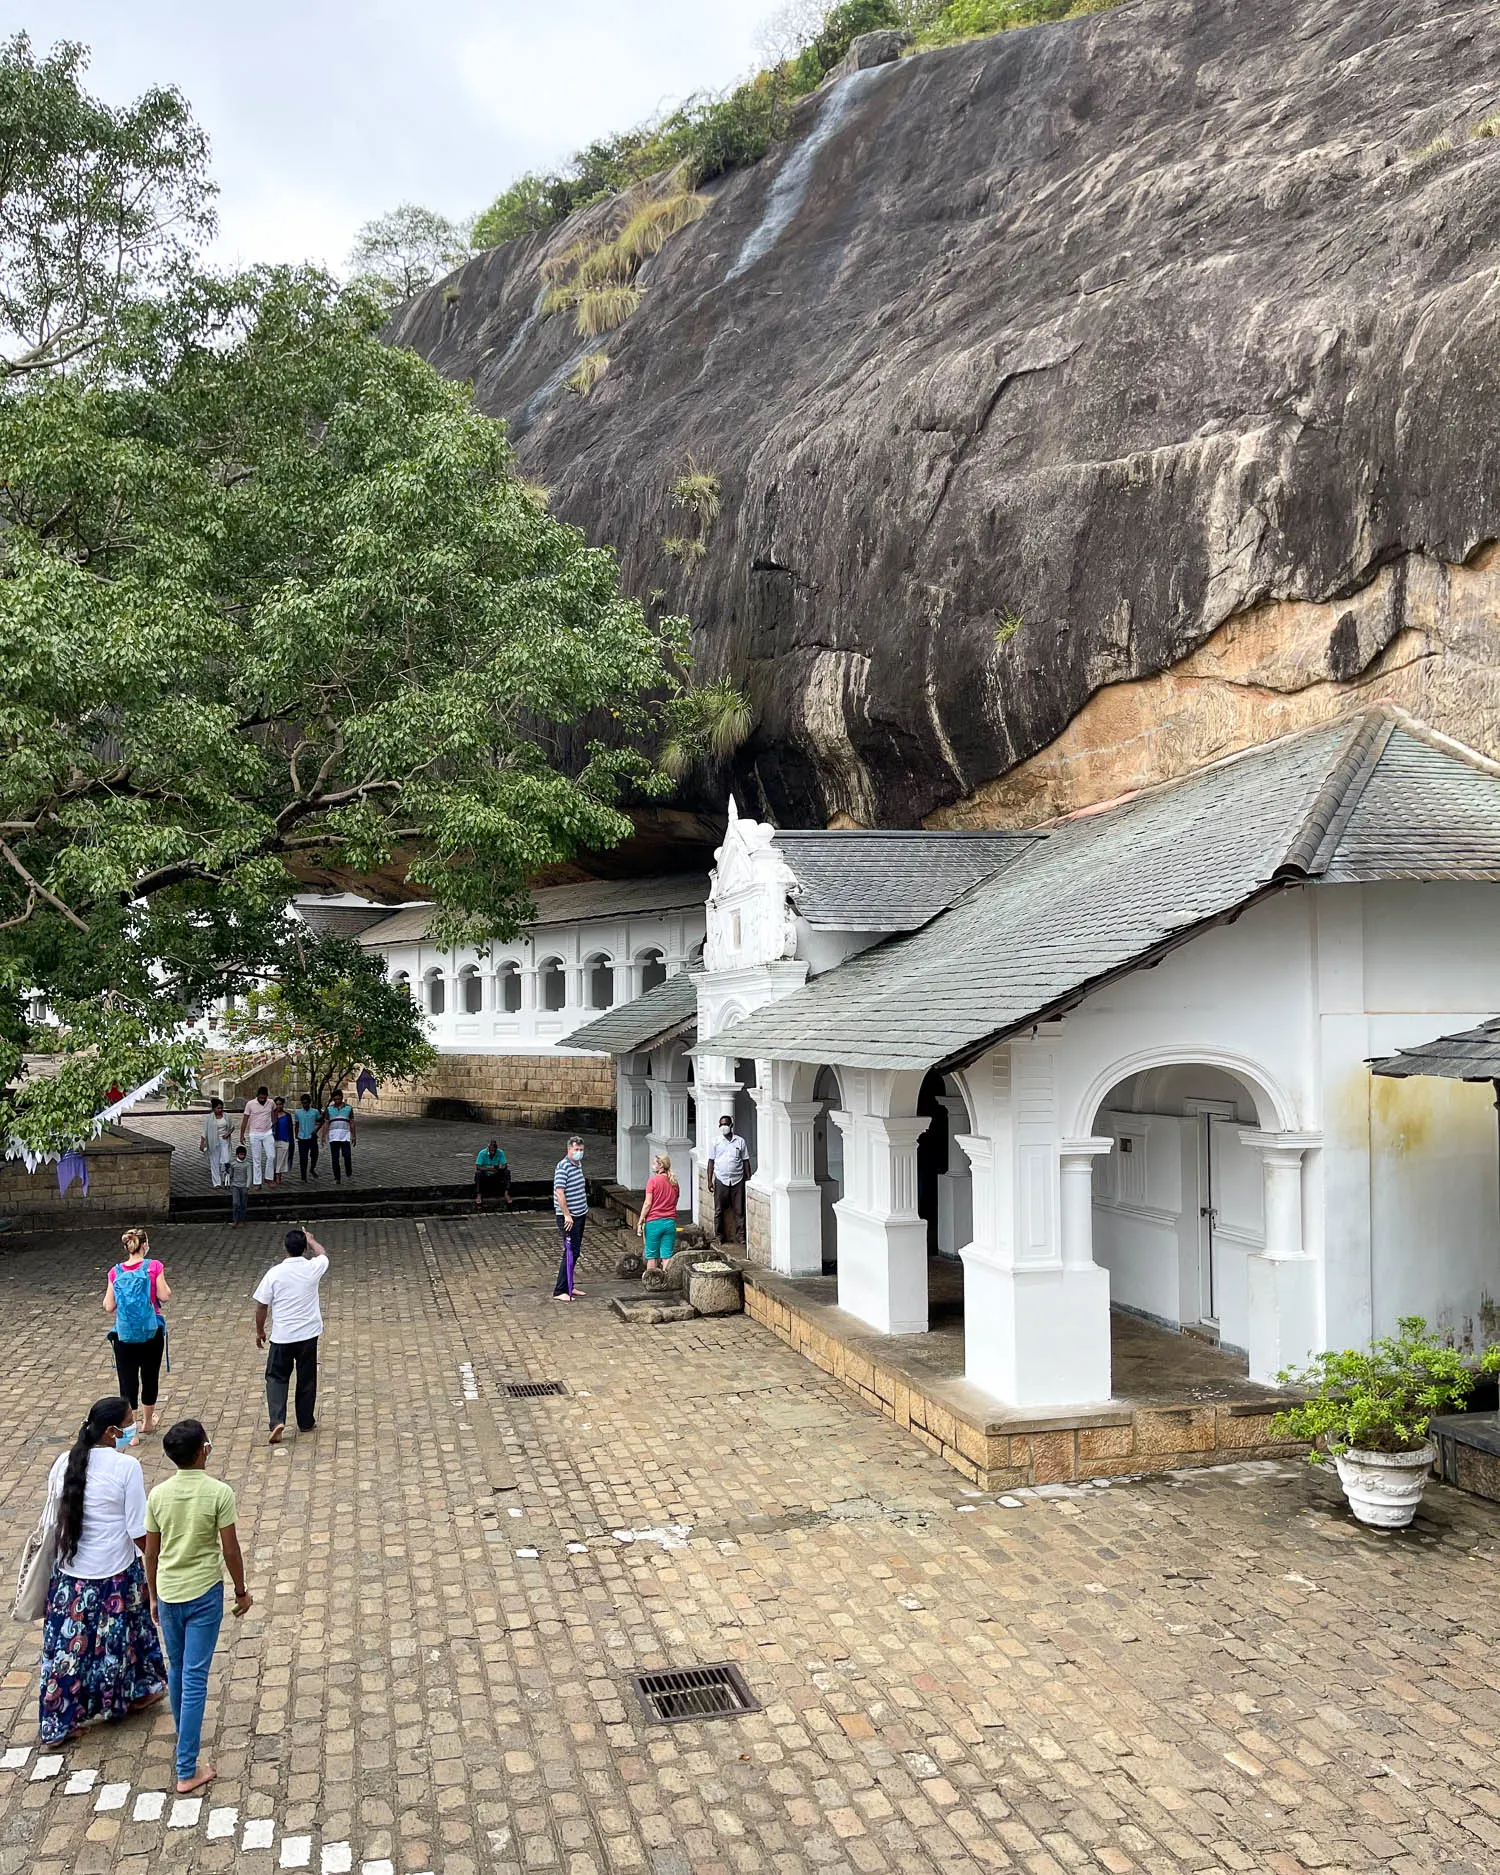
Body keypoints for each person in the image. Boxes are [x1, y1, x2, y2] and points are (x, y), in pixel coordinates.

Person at [36, 1396, 168, 1748]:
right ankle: (131, 1694)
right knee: (125, 1640)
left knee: (69, 1652)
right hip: (115, 1576)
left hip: (70, 1576)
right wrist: (161, 1559)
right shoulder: (126, 1469)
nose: (132, 1426)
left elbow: (50, 1522)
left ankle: (58, 1720)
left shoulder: (63, 1462)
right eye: (128, 1421)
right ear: (112, 1432)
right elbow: (138, 1530)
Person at [145, 1419, 252, 1796]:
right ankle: (187, 1766)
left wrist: (154, 1595)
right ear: (202, 1451)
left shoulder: (158, 1495)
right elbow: (231, 1549)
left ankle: (184, 1735)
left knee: (178, 1670)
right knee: (194, 1678)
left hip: (170, 1594)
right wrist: (241, 1590)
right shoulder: (219, 1494)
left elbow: (152, 1553)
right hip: (204, 1594)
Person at [253, 1227, 330, 1443]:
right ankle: (305, 1421)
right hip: (308, 1335)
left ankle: (277, 1420)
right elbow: (323, 1254)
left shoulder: (275, 1273)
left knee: (276, 1377)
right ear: (304, 1248)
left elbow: (262, 1305)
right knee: (306, 1378)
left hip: (283, 1336)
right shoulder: (313, 1268)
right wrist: (312, 1240)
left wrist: (260, 1330)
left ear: (285, 1248)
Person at [105, 1228, 170, 1436]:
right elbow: (164, 1295)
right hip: (151, 1331)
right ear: (144, 1245)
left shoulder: (115, 1272)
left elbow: (108, 1305)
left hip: (124, 1335)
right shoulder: (154, 1266)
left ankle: (131, 1432)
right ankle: (148, 1422)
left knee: (128, 1381)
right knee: (150, 1377)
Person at [551, 1136, 588, 1301]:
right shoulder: (563, 1167)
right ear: (569, 1150)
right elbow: (560, 1192)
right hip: (568, 1218)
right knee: (570, 1252)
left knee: (576, 1252)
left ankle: (570, 1285)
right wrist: (567, 1214)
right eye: (576, 1150)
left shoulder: (578, 1165)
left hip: (580, 1214)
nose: (579, 1153)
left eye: (581, 1150)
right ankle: (560, 1290)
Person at [708, 1115, 751, 1246]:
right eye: (721, 1125)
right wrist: (709, 1180)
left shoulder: (740, 1142)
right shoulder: (715, 1142)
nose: (723, 1127)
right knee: (719, 1210)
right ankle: (719, 1236)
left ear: (731, 1125)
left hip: (738, 1179)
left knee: (739, 1210)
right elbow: (711, 1161)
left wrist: (748, 1178)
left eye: (726, 1124)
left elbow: (746, 1161)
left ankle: (741, 1236)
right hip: (721, 1179)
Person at [638, 1152, 679, 1267]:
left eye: (654, 1162)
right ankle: (667, 1281)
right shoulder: (674, 1183)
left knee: (652, 1256)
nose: (652, 1164)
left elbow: (647, 1203)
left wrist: (641, 1220)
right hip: (670, 1223)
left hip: (653, 1223)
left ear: (660, 1165)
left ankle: (652, 1282)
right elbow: (674, 1202)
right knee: (667, 1256)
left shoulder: (653, 1181)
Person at [240, 1085, 276, 1187]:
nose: (262, 1100)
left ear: (267, 1096)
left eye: (264, 1098)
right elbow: (245, 1120)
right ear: (257, 1096)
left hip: (267, 1133)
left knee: (271, 1156)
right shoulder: (250, 1104)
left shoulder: (271, 1103)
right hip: (254, 1133)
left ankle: (268, 1178)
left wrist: (273, 1123)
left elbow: (274, 1113)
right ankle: (257, 1182)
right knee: (256, 1159)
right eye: (260, 1098)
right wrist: (242, 1135)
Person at [322, 1088, 355, 1184]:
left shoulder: (348, 1108)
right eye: (335, 1099)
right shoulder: (329, 1109)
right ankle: (337, 1177)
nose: (337, 1101)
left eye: (339, 1099)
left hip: (345, 1135)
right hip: (334, 1136)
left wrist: (354, 1136)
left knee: (347, 1155)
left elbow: (352, 1122)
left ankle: (348, 1170)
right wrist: (323, 1136)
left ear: (342, 1098)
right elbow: (326, 1123)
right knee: (335, 1158)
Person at [198, 1100, 233, 1188]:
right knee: (214, 1162)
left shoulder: (226, 1116)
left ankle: (225, 1180)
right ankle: (216, 1182)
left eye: (221, 1108)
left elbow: (232, 1127)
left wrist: (228, 1133)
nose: (220, 1110)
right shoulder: (209, 1118)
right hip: (213, 1141)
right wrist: (202, 1143)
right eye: (218, 1108)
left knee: (225, 1160)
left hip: (224, 1141)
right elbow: (204, 1132)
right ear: (213, 1109)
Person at [474, 1137, 512, 1210]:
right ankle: (479, 1194)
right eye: (491, 1150)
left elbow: (504, 1164)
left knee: (507, 1172)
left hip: (496, 1172)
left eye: (494, 1151)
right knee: (478, 1173)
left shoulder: (500, 1152)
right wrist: (488, 1169)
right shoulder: (482, 1153)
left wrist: (498, 1168)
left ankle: (506, 1193)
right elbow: (478, 1166)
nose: (492, 1152)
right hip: (486, 1173)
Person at [293, 1094, 322, 1180]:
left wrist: (316, 1130)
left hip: (312, 1137)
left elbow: (321, 1121)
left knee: (314, 1155)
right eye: (303, 1103)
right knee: (303, 1157)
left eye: (306, 1103)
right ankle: (303, 1175)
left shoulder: (315, 1112)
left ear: (309, 1103)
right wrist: (296, 1134)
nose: (304, 1105)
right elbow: (297, 1124)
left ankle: (312, 1168)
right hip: (302, 1137)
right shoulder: (298, 1112)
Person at [271, 1097, 294, 1183]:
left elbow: (290, 1129)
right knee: (273, 1159)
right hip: (273, 1140)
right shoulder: (271, 1115)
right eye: (277, 1104)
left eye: (280, 1104)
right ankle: (273, 1174)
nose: (278, 1106)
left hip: (284, 1140)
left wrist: (291, 1140)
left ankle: (278, 1175)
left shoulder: (287, 1116)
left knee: (281, 1159)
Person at [227, 1145, 250, 1226]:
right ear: (237, 1155)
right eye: (240, 1154)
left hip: (243, 1186)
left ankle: (242, 1220)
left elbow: (249, 1176)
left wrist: (247, 1186)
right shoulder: (233, 1164)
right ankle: (235, 1220)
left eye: (243, 1155)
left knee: (243, 1204)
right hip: (235, 1186)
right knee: (236, 1203)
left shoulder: (247, 1165)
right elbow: (231, 1175)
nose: (242, 1156)